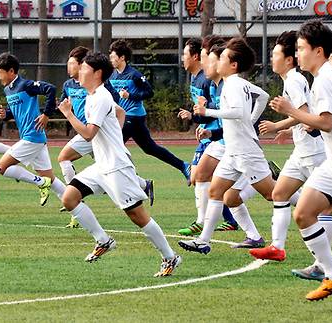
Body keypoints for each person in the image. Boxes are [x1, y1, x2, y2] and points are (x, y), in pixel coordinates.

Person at [58, 52, 182, 277]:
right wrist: (115, 135)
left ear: (97, 73)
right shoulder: (94, 95)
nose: (80, 72)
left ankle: (170, 257)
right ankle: (103, 241)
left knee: (137, 216)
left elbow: (88, 134)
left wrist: (68, 114)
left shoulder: (100, 97)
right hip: (102, 166)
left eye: (84, 68)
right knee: (69, 198)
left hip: (116, 166)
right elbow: (120, 111)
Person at [269, 20, 332, 301]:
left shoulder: (325, 79)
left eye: (302, 48)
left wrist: (291, 110)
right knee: (303, 212)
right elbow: (325, 121)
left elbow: (326, 123)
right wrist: (306, 121)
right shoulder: (330, 74)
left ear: (318, 51)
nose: (298, 53)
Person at [178, 38, 274, 254]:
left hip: (246, 151)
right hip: (233, 151)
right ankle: (204, 241)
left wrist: (207, 112)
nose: (216, 61)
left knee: (274, 194)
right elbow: (264, 96)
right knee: (216, 191)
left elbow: (237, 112)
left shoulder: (232, 84)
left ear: (233, 65)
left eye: (222, 58)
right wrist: (250, 120)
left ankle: (321, 202)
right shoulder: (236, 83)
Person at [249, 31, 325, 265]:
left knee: (329, 203)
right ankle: (277, 248)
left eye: (275, 55)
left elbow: (303, 111)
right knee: (279, 193)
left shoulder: (293, 80)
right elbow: (301, 114)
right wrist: (285, 128)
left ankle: (322, 261)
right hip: (301, 151)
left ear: (289, 60)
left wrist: (277, 123)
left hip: (313, 152)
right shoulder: (292, 80)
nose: (272, 59)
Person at [176, 36, 239, 235]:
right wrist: (200, 118)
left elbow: (227, 111)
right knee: (204, 178)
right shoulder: (210, 82)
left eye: (207, 58)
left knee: (211, 181)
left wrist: (204, 115)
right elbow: (211, 110)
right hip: (215, 135)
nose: (205, 63)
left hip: (227, 140)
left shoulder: (223, 84)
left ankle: (208, 224)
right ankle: (209, 224)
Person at [108, 39, 191, 184]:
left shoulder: (134, 75)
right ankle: (183, 165)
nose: (111, 59)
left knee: (113, 146)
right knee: (149, 148)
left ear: (122, 58)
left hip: (133, 117)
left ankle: (132, 181)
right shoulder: (112, 75)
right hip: (122, 117)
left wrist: (130, 96)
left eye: (113, 56)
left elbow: (149, 92)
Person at [0, 52, 67, 206]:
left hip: (32, 137)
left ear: (11, 71)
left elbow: (51, 89)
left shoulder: (25, 85)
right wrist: (5, 114)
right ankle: (75, 205)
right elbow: (17, 112)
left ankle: (40, 182)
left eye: (0, 72)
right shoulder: (8, 90)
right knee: (51, 179)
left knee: (1, 167)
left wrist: (46, 114)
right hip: (34, 138)